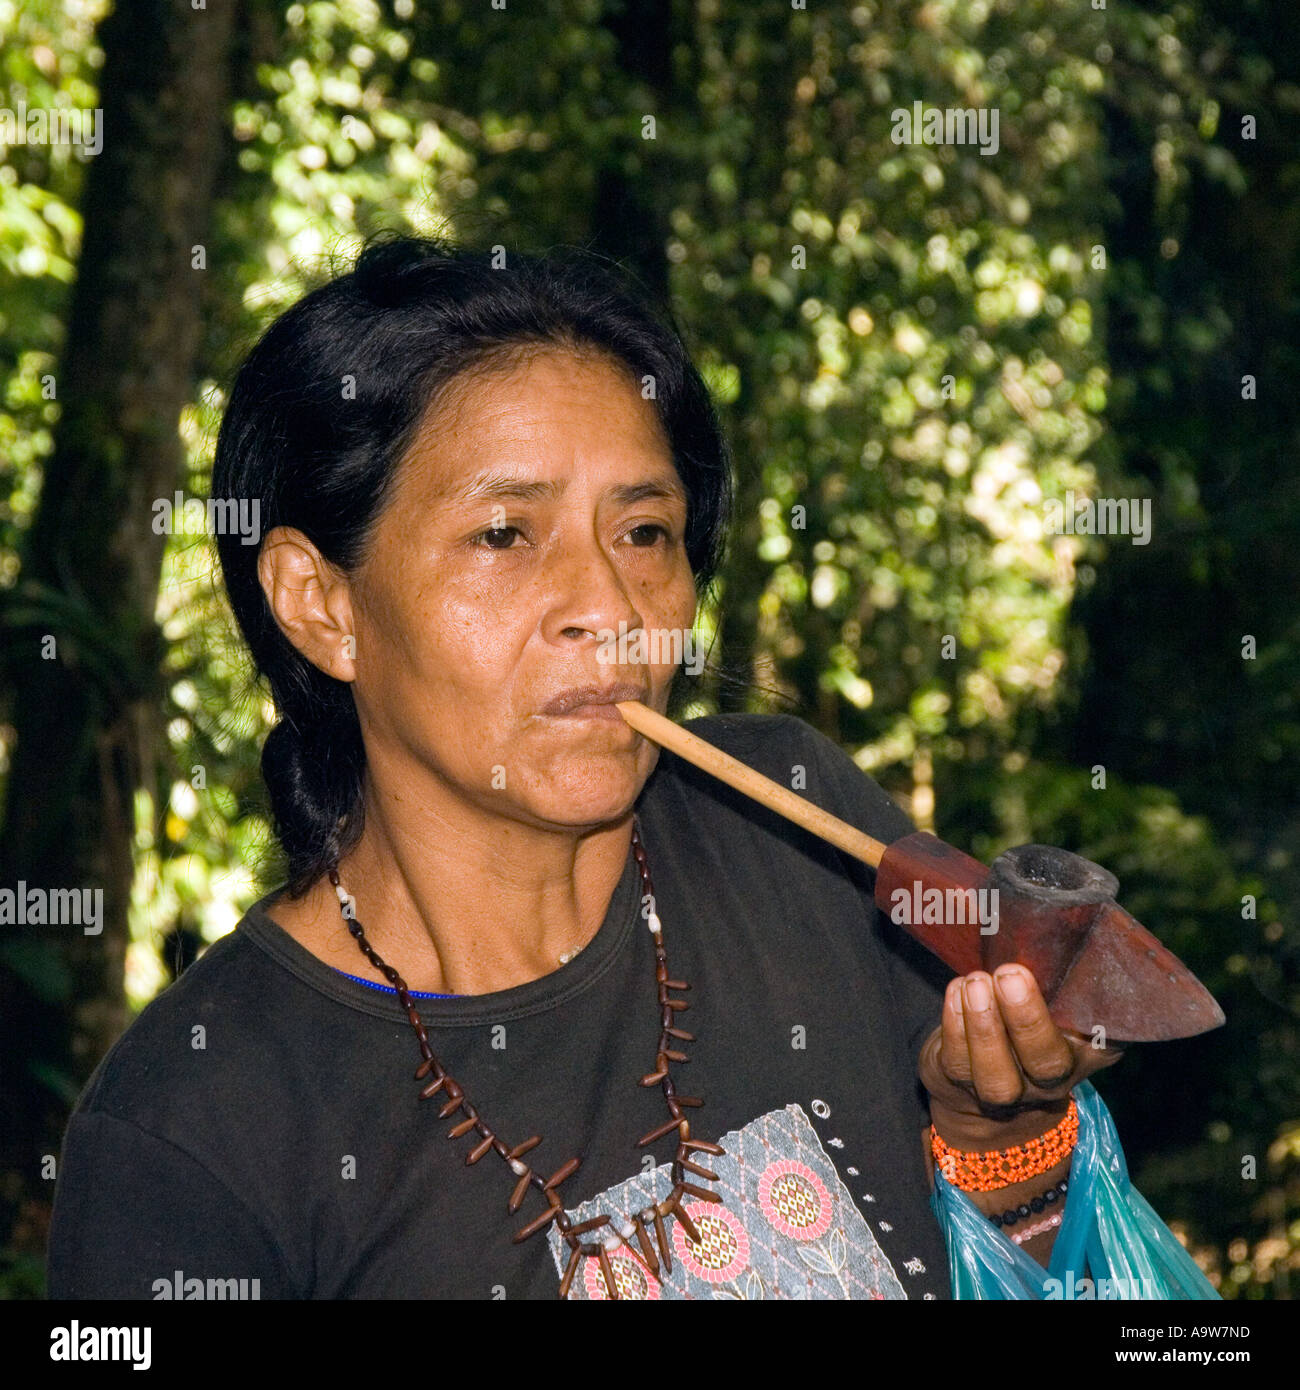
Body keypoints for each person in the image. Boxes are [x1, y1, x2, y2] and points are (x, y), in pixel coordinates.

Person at [46, 235, 1121, 1301]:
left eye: (645, 531)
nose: (610, 608)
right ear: (321, 604)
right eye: (506, 533)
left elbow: (1039, 1261)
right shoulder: (191, 1129)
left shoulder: (797, 828)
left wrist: (1003, 1138)